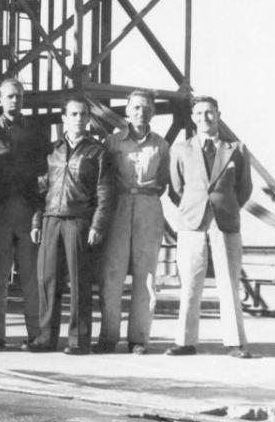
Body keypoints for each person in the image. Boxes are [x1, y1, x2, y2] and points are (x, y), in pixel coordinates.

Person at [166, 96, 253, 358]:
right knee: (190, 281)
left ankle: (235, 343)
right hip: (192, 221)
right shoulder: (181, 149)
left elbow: (244, 188)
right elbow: (175, 188)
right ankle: (185, 341)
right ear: (193, 117)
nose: (205, 118)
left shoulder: (236, 149)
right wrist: (192, 206)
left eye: (210, 113)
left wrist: (226, 206)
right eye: (200, 113)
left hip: (225, 222)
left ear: (218, 115)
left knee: (228, 281)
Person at [30, 96, 114, 355]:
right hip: (51, 220)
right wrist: (36, 221)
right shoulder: (51, 151)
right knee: (47, 280)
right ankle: (45, 338)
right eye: (74, 114)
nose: (79, 119)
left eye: (83, 114)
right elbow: (39, 190)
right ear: (64, 118)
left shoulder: (97, 152)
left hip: (79, 221)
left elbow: (105, 193)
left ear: (89, 119)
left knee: (80, 281)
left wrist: (97, 226)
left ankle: (79, 340)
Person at [96, 89, 170, 355]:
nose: (142, 112)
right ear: (127, 112)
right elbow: (103, 178)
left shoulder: (161, 145)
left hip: (149, 206)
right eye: (136, 107)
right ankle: (108, 336)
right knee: (112, 273)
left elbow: (163, 181)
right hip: (119, 206)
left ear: (152, 112)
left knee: (146, 275)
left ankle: (138, 338)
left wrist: (144, 198)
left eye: (147, 108)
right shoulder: (112, 143)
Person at [0, 78, 50, 350]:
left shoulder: (35, 133)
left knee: (30, 279)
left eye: (19, 96)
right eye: (10, 96)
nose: (15, 100)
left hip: (26, 213)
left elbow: (44, 177)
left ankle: (36, 334)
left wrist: (38, 215)